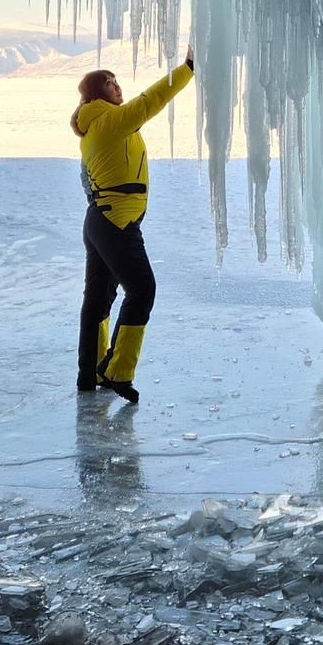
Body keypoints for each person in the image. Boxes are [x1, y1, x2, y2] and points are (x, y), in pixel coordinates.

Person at [71, 43, 195, 404]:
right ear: (96, 93)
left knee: (98, 299)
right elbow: (148, 102)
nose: (116, 86)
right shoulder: (108, 120)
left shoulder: (96, 125)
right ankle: (117, 370)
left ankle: (90, 373)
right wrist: (187, 68)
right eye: (108, 83)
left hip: (101, 219)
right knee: (142, 289)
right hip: (115, 220)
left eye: (115, 80)